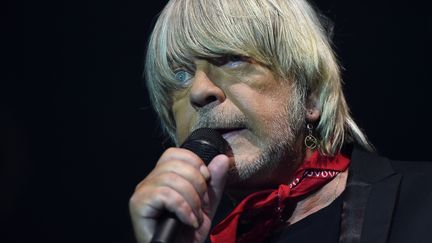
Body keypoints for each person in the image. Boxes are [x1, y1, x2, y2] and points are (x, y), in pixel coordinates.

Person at [129, 0, 432, 242]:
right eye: (180, 76)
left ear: (310, 95)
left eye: (233, 59)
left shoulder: (422, 201)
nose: (198, 90)